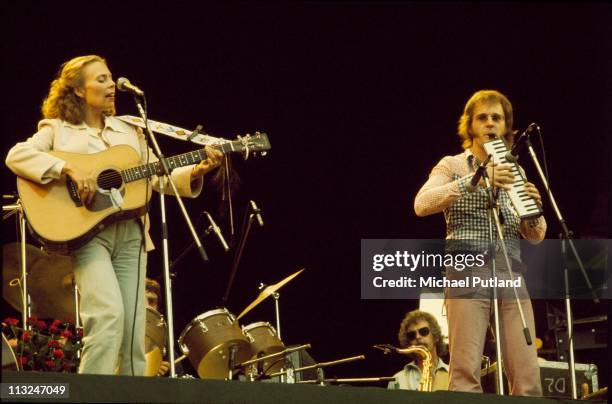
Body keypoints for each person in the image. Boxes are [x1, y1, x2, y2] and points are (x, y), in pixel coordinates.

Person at [5, 55, 223, 376]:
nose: (111, 86)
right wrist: (66, 168)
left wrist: (197, 169)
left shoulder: (129, 129)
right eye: (102, 80)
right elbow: (17, 155)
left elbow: (156, 175)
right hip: (90, 236)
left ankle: (131, 396)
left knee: (135, 330)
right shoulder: (58, 130)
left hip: (133, 234)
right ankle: (93, 394)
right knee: (106, 317)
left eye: (110, 79)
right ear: (79, 90)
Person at [414, 90, 546, 396]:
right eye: (482, 117)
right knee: (465, 370)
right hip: (467, 268)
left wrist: (534, 212)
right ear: (470, 125)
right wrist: (474, 181)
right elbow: (421, 204)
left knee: (527, 372)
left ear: (506, 127)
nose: (490, 123)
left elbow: (536, 236)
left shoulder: (516, 170)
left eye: (496, 118)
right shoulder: (453, 164)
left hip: (511, 272)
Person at [387, 310, 449, 391]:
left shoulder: (454, 376)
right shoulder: (396, 380)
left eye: (423, 331)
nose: (418, 337)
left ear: (436, 336)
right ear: (409, 343)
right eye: (412, 335)